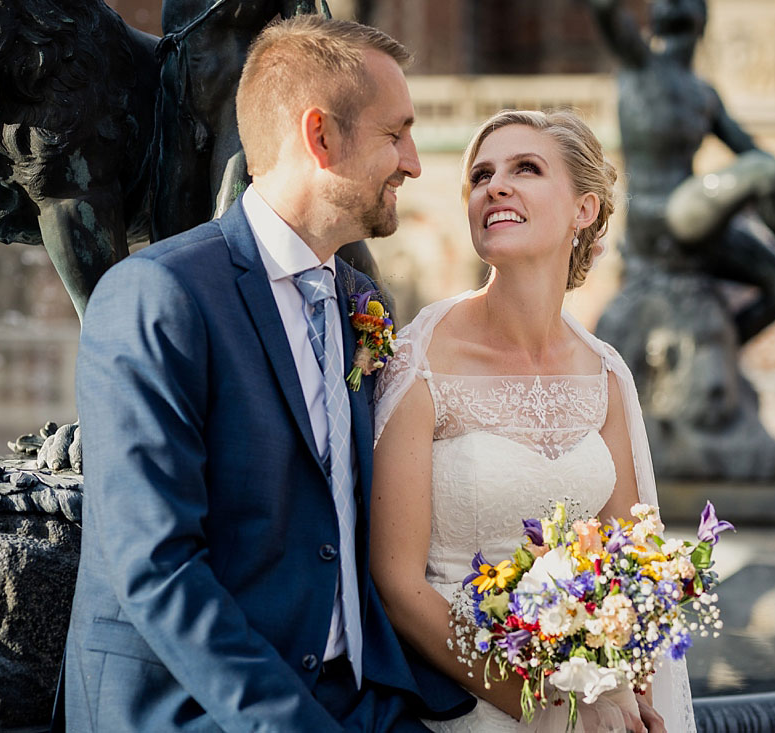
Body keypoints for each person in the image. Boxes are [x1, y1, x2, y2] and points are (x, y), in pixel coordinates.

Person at [59, 15, 473, 732]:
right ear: (320, 137)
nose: (413, 161)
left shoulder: (362, 303)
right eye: (395, 134)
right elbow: (156, 568)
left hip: (362, 698)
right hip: (195, 706)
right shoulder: (158, 295)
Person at [369, 109, 695, 732]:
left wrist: (632, 698)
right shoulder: (420, 358)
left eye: (527, 168)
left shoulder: (604, 373)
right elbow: (397, 581)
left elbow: (634, 567)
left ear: (584, 210)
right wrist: (541, 704)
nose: (496, 185)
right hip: (460, 699)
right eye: (481, 174)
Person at [587, 0, 775, 345]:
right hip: (660, 213)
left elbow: (749, 148)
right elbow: (605, 13)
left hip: (694, 218)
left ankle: (721, 349)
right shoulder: (640, 66)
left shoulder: (703, 94)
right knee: (764, 173)